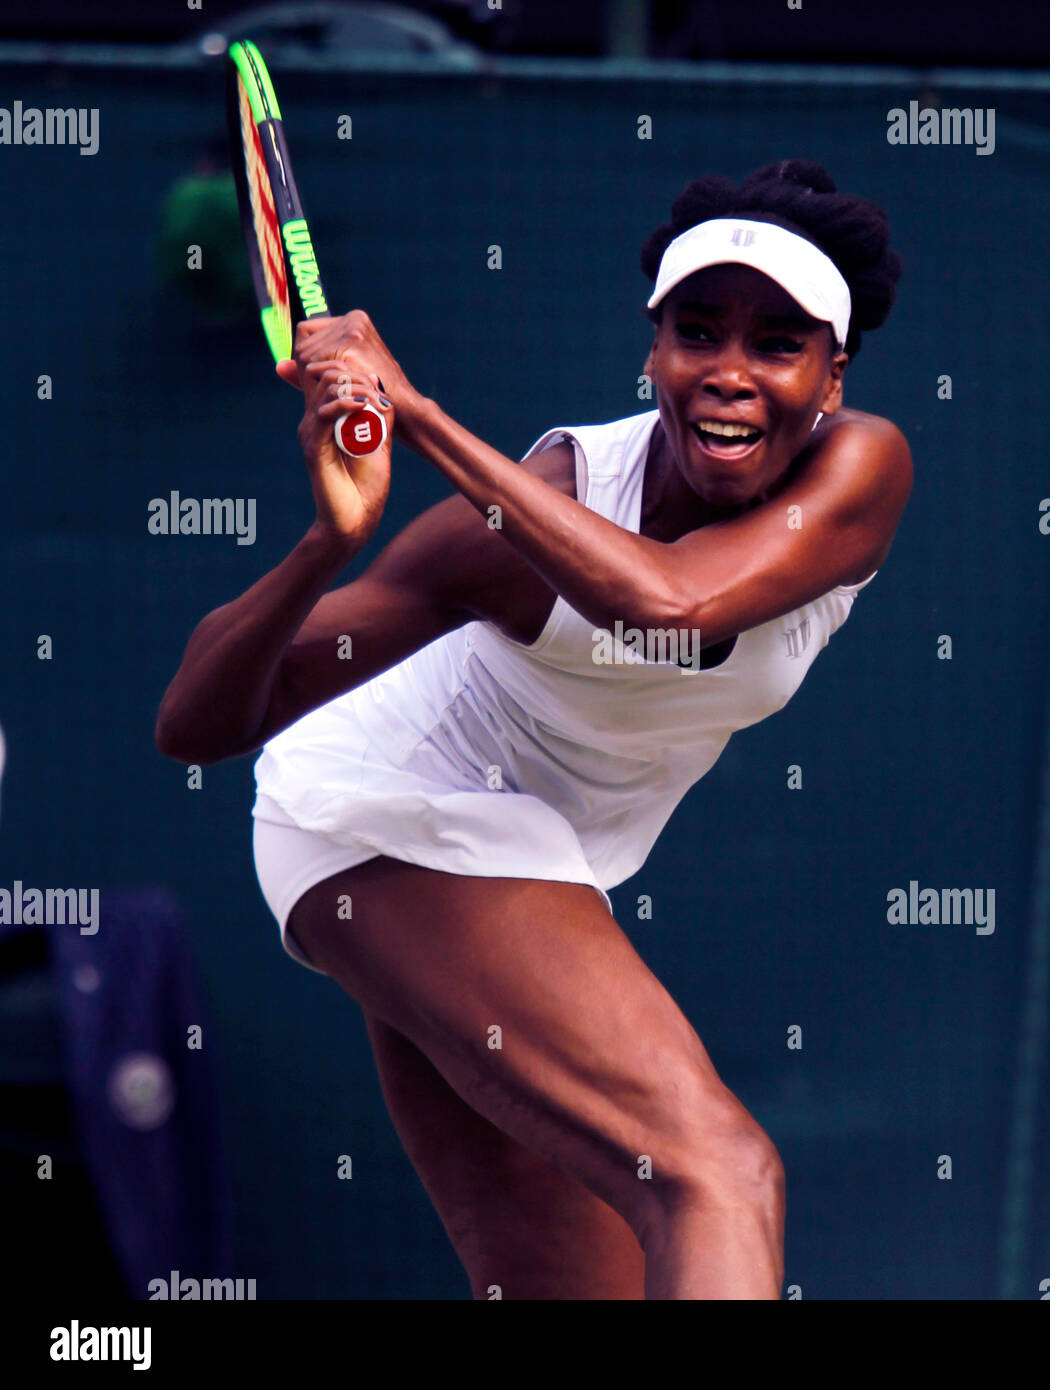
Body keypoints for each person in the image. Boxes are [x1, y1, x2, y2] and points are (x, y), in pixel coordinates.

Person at [155, 159, 912, 1300]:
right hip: (385, 817)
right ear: (652, 353)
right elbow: (197, 726)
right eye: (696, 333)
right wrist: (328, 543)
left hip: (540, 874)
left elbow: (674, 601)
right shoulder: (516, 519)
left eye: (776, 344)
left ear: (831, 377)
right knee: (715, 1171)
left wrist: (416, 418)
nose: (729, 374)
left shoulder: (862, 467)